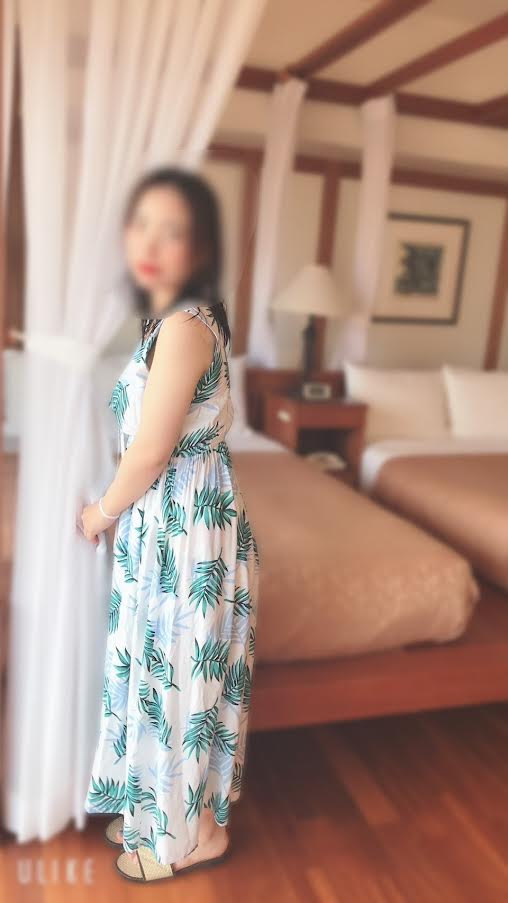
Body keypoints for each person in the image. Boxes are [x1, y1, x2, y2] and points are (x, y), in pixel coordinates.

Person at [80, 167, 260, 883]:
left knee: (182, 676)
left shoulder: (186, 326)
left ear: (202, 248)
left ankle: (196, 833)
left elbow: (153, 449)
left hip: (188, 528)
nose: (151, 243)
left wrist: (100, 511)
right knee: (157, 672)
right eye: (142, 225)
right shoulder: (164, 322)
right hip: (164, 520)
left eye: (174, 230)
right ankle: (158, 810)